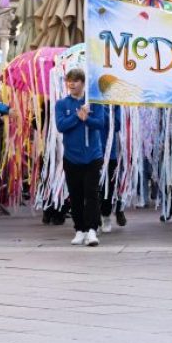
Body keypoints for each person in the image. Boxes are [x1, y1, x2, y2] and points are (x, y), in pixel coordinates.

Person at [55, 69, 107, 247]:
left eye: (76, 81)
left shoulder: (94, 103)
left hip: (92, 156)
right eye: (69, 81)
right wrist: (77, 117)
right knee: (75, 195)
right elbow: (61, 125)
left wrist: (87, 119)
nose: (72, 84)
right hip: (72, 157)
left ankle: (92, 230)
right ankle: (79, 229)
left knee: (91, 194)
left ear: (83, 83)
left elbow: (100, 123)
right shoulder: (62, 104)